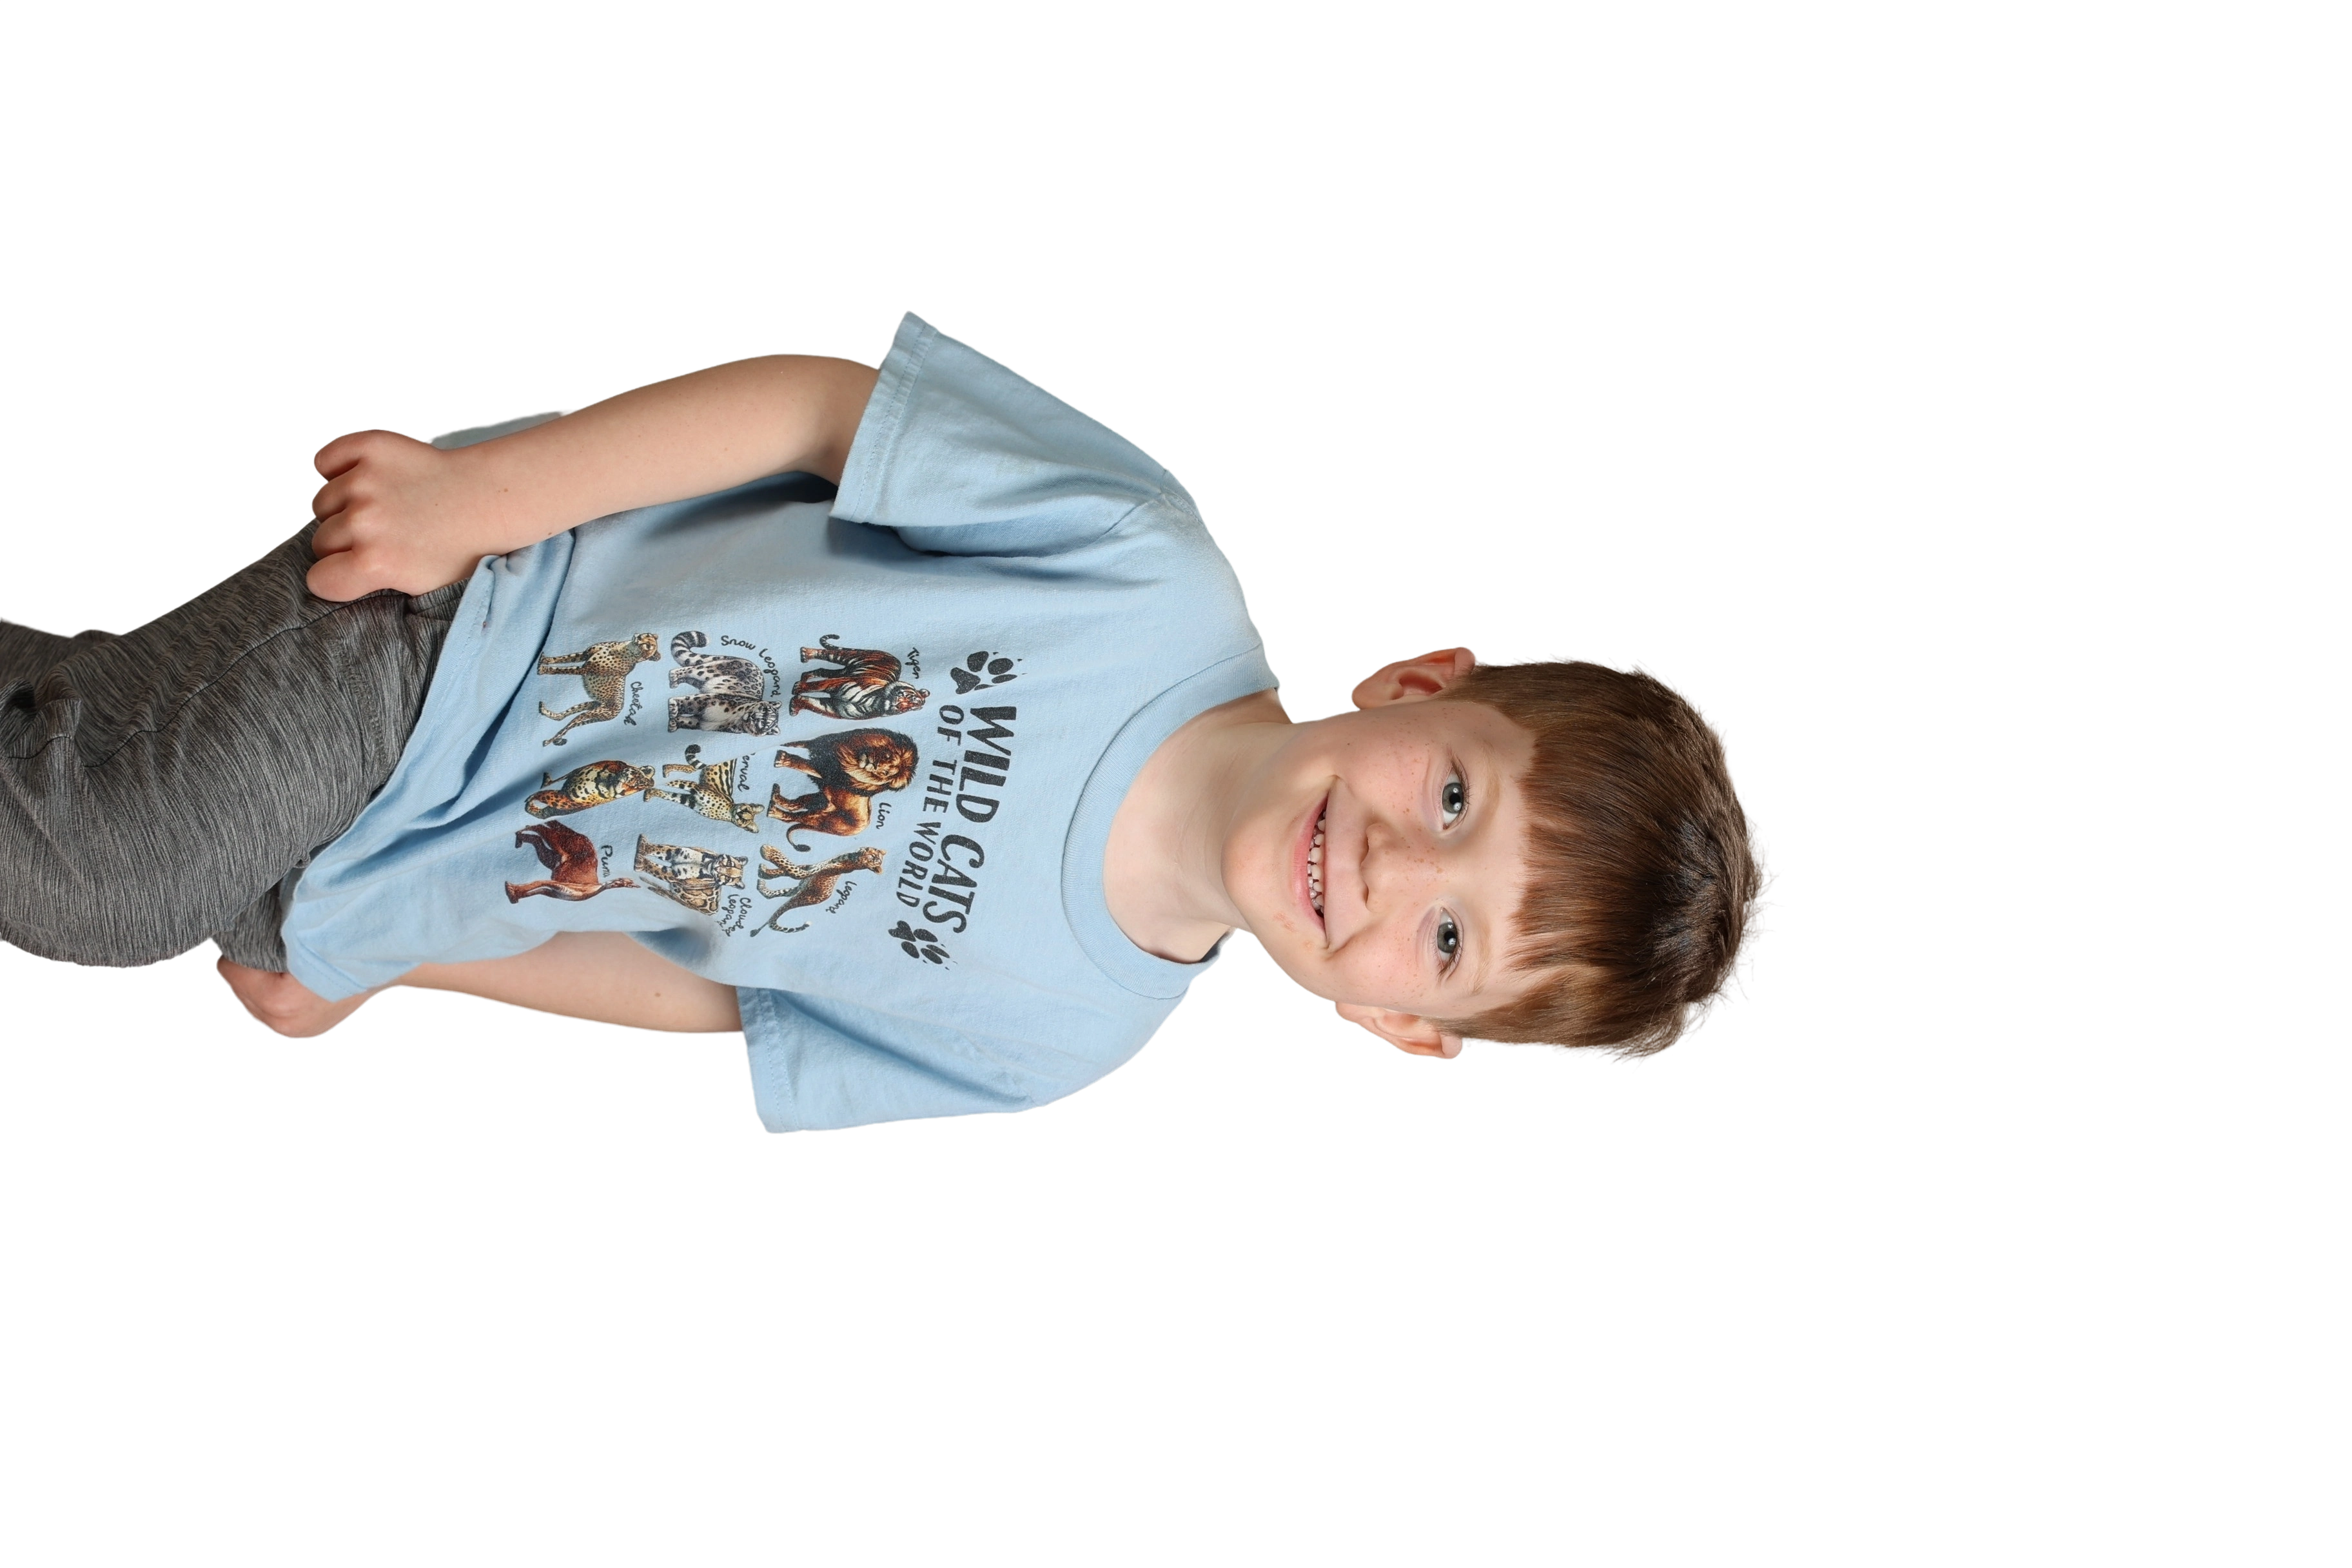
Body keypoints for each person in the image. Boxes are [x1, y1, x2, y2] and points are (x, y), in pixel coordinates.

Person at [1, 311, 1779, 1133]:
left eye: (1450, 942)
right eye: (1455, 799)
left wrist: (395, 956)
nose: (1394, 868)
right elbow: (819, 410)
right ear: (1422, 686)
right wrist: (485, 497)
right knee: (87, 867)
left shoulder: (1054, 1040)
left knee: (88, 789)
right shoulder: (1141, 567)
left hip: (423, 858)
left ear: (1403, 1026)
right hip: (464, 626)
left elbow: (724, 992)